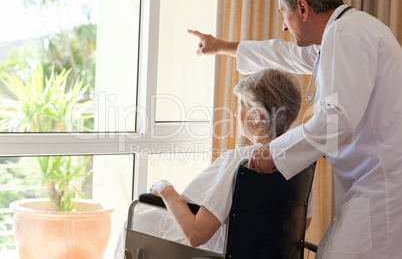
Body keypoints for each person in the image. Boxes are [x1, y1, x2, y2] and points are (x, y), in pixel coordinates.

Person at [188, 0, 402, 258]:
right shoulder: (346, 32)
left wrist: (275, 153)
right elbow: (284, 54)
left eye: (283, 14)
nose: (284, 25)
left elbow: (337, 119)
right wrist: (221, 46)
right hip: (372, 186)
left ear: (302, 8)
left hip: (380, 191)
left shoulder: (347, 35)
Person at [114, 69, 310, 256]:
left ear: (256, 116)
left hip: (207, 253)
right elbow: (303, 223)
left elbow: (196, 234)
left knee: (138, 215)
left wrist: (166, 190)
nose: (236, 114)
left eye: (240, 106)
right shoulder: (300, 161)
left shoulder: (240, 162)